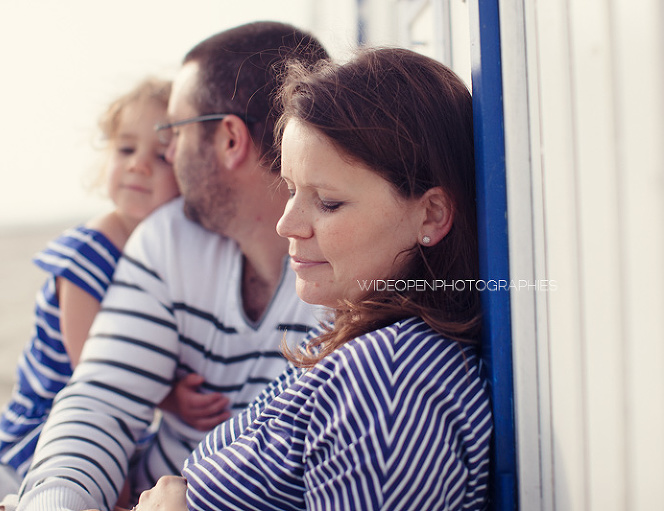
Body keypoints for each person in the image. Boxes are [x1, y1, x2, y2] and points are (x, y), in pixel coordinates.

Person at [135, 47, 494, 510]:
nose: (287, 224)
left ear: (431, 214)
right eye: (290, 190)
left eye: (327, 202)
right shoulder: (361, 345)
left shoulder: (387, 385)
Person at [4, 22, 330, 511]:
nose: (170, 154)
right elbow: (100, 402)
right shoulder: (168, 236)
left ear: (230, 139)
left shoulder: (348, 270)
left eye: (174, 133)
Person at [0, 76, 180, 511]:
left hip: (115, 430)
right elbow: (94, 369)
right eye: (126, 149)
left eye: (160, 156)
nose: (139, 165)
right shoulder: (89, 251)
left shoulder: (162, 255)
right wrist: (173, 399)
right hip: (48, 430)